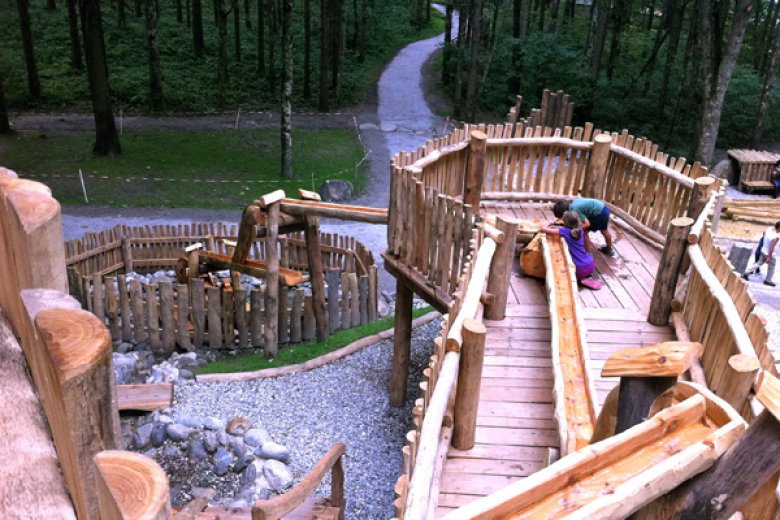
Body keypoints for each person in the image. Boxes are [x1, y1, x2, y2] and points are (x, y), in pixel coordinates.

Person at [542, 210, 602, 290]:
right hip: (590, 264)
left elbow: (543, 229)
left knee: (561, 262)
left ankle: (581, 279)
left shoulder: (564, 231)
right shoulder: (580, 230)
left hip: (578, 269)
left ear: (564, 221)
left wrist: (550, 222)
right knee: (583, 256)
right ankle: (587, 276)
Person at [743, 220, 780, 287]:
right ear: (779, 228)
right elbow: (771, 247)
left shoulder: (769, 229)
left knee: (758, 263)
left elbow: (764, 233)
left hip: (763, 250)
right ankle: (768, 280)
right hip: (769, 253)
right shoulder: (776, 237)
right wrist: (769, 257)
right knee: (771, 268)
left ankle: (746, 272)